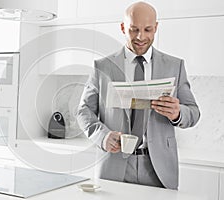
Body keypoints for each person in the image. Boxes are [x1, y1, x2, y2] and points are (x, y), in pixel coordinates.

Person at [76, 1, 200, 189]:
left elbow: (194, 113)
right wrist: (102, 136)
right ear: (123, 27)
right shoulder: (102, 67)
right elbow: (83, 111)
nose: (141, 37)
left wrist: (178, 113)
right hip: (113, 166)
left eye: (148, 30)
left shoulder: (175, 66)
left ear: (156, 28)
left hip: (159, 170)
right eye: (133, 30)